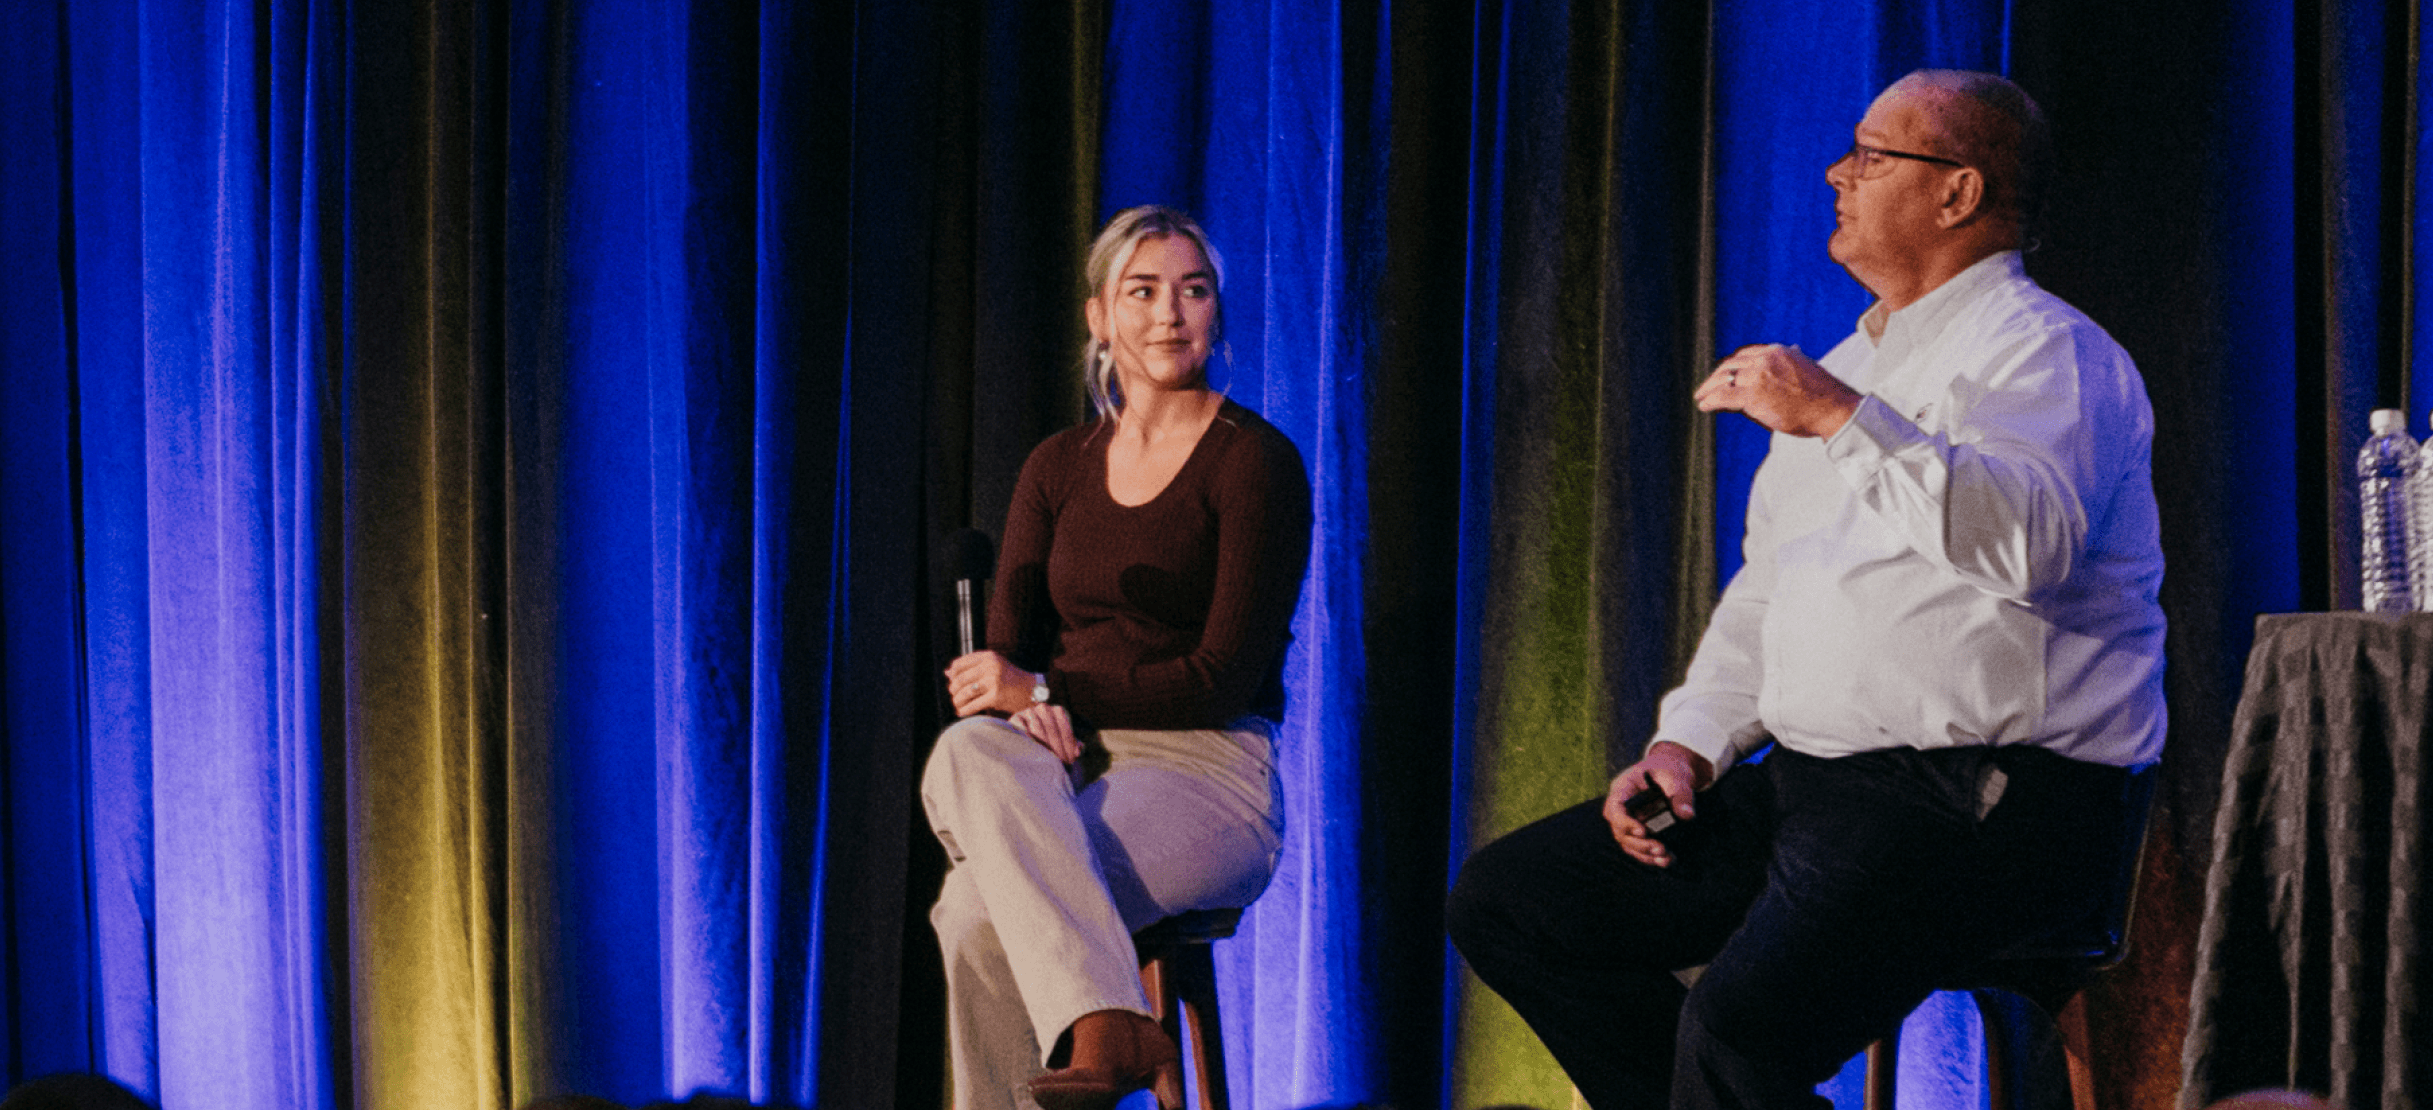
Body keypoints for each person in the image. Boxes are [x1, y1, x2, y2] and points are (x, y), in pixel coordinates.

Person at [1447, 70, 2165, 1109]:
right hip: (1817, 783)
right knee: (1516, 904)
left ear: (1957, 193)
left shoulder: (2050, 355)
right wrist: (1687, 743)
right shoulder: (1844, 369)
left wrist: (1841, 419)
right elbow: (1771, 592)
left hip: (1993, 803)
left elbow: (2030, 547)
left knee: (1738, 1033)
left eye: (1873, 155)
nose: (1838, 172)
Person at [923, 205, 1312, 1110]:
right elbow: (1008, 653)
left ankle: (1103, 1030)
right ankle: (1114, 1024)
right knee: (966, 749)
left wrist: (1052, 687)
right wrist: (1020, 701)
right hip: (1056, 766)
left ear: (1217, 312)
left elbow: (1219, 676)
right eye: (1142, 292)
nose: (1170, 314)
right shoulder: (1058, 466)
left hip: (1206, 773)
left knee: (975, 911)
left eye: (1193, 290)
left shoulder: (1255, 463)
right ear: (1100, 316)